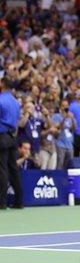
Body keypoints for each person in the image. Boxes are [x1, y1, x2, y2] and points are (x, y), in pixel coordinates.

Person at [0, 78, 23, 209]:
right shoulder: (15, 102)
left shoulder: (0, 100)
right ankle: (19, 201)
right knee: (13, 169)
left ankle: (1, 203)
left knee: (2, 170)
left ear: (2, 85)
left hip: (2, 137)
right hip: (12, 137)